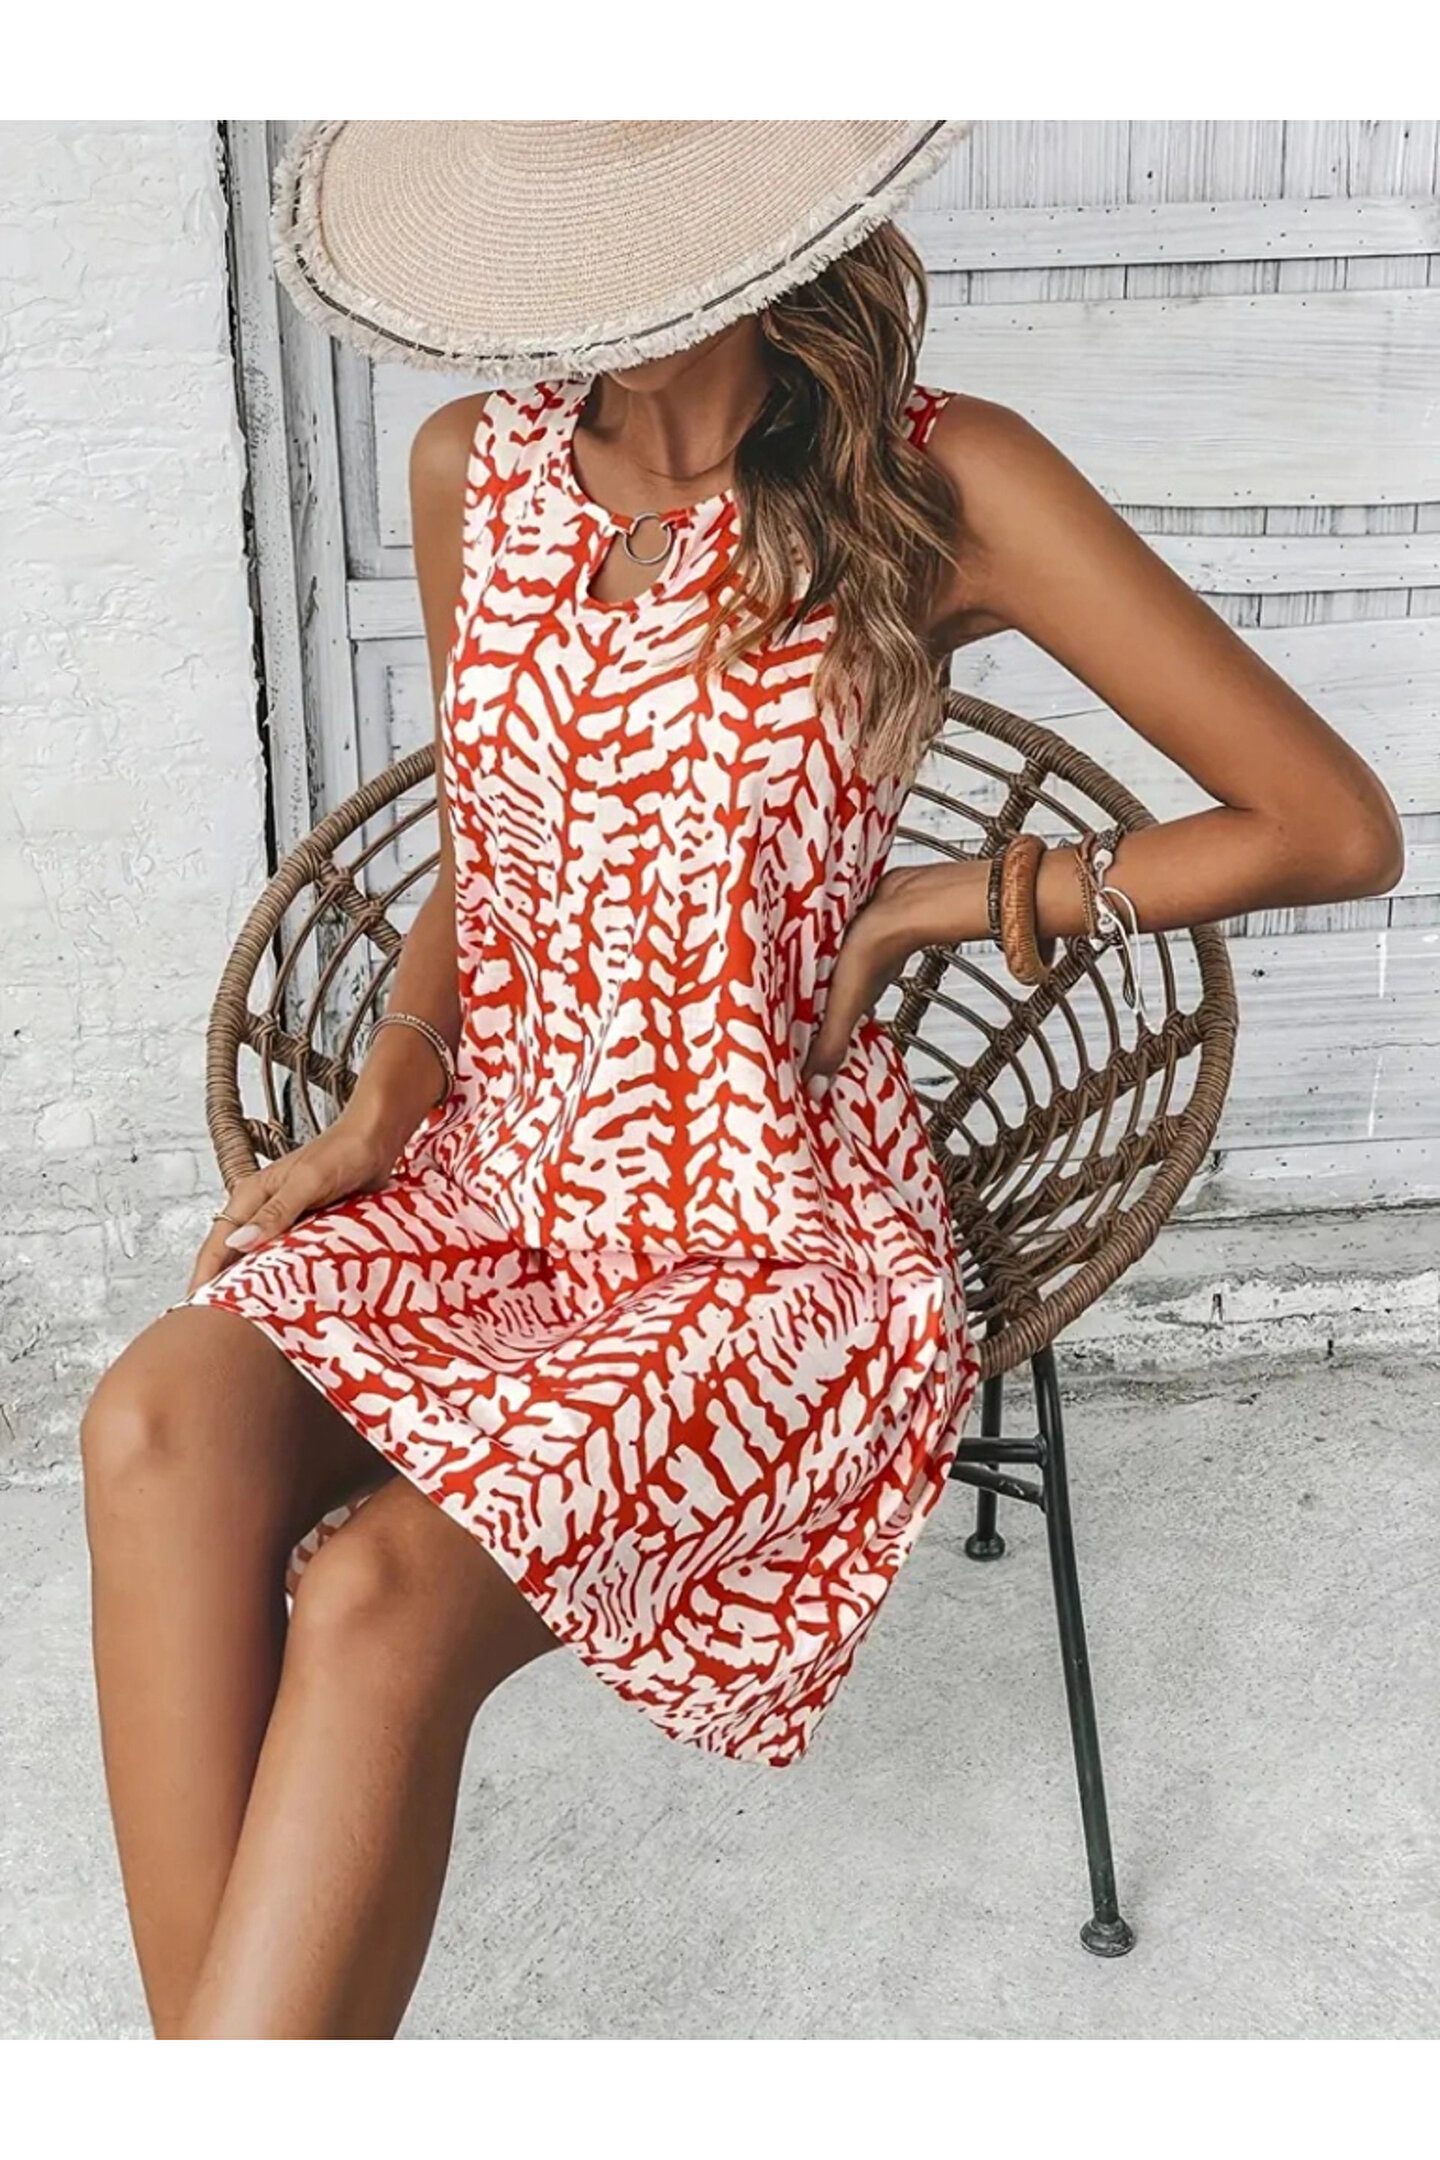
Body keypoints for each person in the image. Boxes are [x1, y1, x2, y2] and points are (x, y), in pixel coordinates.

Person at [78, 121, 1404, 2040]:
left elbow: (1328, 824)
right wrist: (387, 1096)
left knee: (374, 1601)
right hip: (494, 1171)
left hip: (762, 1230)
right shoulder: (473, 468)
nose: (556, 303)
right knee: (152, 1425)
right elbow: (493, 839)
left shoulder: (943, 480)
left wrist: (947, 899)